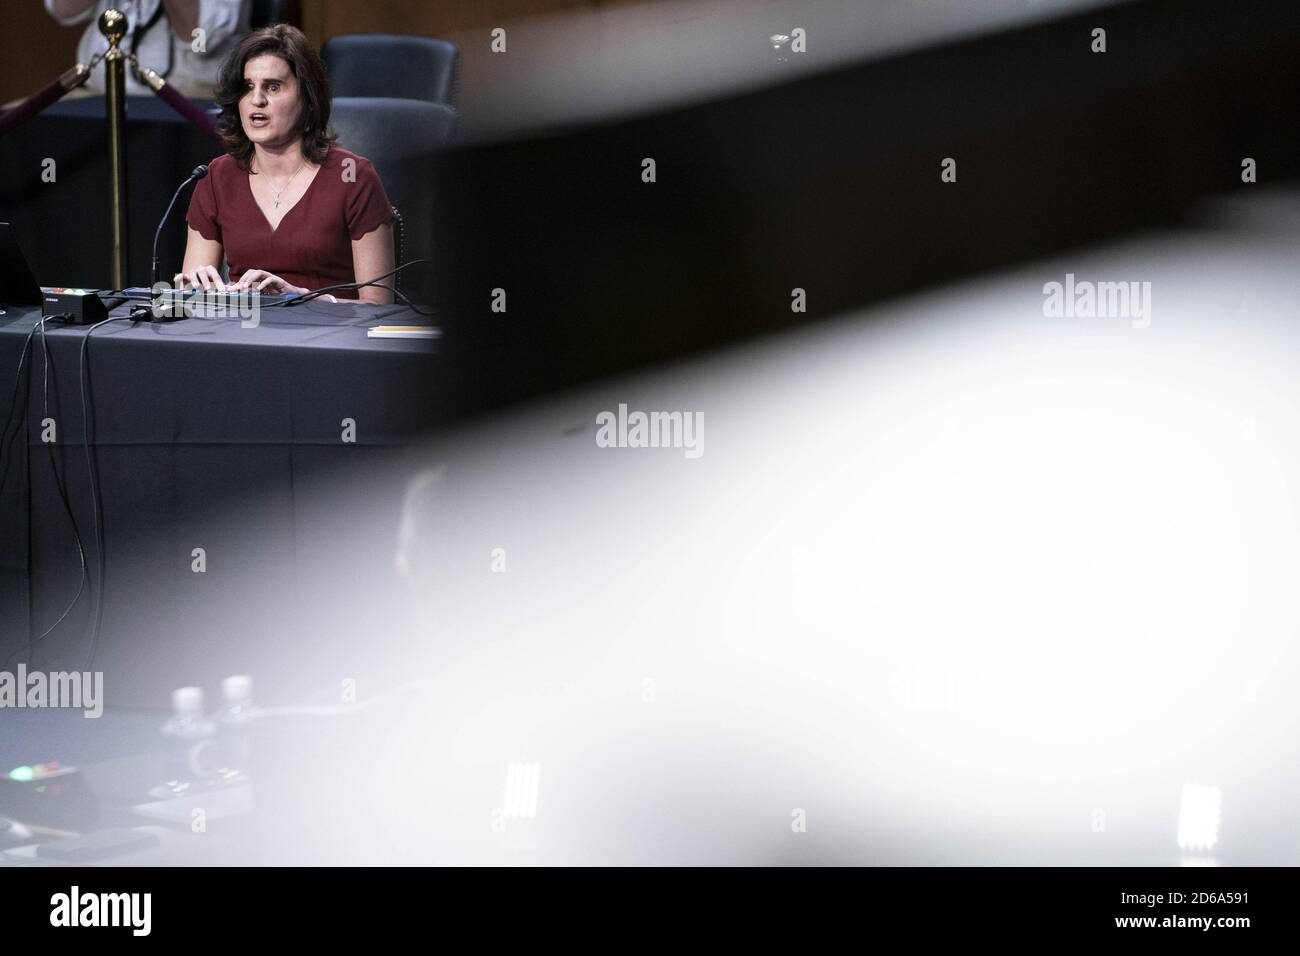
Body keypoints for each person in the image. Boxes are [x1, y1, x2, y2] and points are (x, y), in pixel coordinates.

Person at [178, 24, 395, 303]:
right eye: (247, 87)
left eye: (273, 86)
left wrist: (302, 297)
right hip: (243, 336)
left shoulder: (353, 177)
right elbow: (191, 299)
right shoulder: (216, 177)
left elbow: (379, 306)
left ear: (307, 98)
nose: (257, 100)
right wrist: (193, 291)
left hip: (330, 339)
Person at [44, 0, 249, 98]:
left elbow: (200, 40)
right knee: (20, 122)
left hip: (186, 100)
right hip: (100, 94)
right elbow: (62, 9)